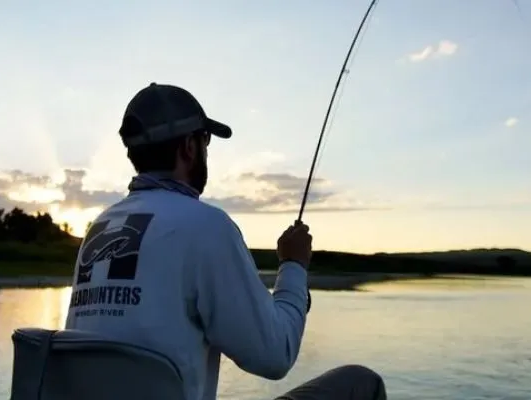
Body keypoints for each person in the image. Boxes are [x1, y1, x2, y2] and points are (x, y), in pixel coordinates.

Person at [63, 82, 386, 400]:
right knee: (361, 382)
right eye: (205, 140)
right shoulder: (206, 225)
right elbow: (275, 354)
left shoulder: (100, 227)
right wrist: (294, 265)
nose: (206, 151)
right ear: (189, 147)